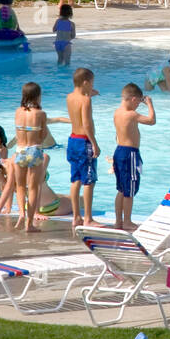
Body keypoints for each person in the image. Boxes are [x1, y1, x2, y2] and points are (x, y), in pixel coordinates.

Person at [111, 83, 154, 229]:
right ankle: (127, 221)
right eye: (138, 102)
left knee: (121, 190)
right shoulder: (132, 114)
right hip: (130, 154)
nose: (138, 106)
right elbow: (152, 121)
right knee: (129, 190)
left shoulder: (117, 112)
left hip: (119, 151)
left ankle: (118, 221)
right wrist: (149, 104)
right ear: (134, 99)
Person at [12, 82, 51, 232]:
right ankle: (29, 223)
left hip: (20, 149)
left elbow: (17, 133)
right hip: (34, 150)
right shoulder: (40, 114)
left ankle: (21, 214)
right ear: (37, 96)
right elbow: (43, 135)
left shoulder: (18, 111)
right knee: (34, 187)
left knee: (20, 186)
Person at [65, 67, 100, 229]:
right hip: (84, 142)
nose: (92, 86)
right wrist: (94, 143)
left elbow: (77, 112)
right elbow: (86, 124)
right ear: (86, 82)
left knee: (76, 179)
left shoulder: (69, 97)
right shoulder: (86, 101)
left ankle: (76, 217)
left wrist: (87, 94)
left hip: (72, 140)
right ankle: (88, 218)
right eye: (91, 83)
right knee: (88, 181)